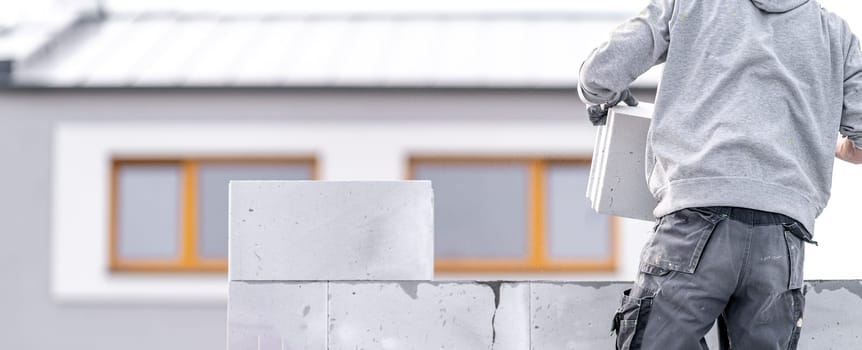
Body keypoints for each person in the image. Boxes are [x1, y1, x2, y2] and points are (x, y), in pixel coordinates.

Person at [578, 0, 862, 349]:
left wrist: (605, 97)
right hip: (781, 243)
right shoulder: (837, 35)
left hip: (696, 225)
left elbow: (598, 74)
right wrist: (825, 144)